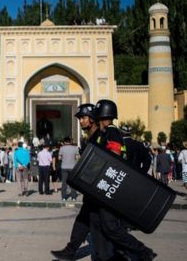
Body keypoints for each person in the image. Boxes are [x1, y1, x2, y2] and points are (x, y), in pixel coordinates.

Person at [92, 99, 156, 261]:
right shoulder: (106, 133)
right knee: (104, 224)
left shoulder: (112, 132)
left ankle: (142, 251)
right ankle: (112, 254)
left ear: (101, 117)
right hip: (107, 185)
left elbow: (114, 155)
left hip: (111, 185)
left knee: (111, 227)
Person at [52, 103, 112, 261]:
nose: (81, 121)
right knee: (85, 219)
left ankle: (108, 255)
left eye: (83, 118)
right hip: (91, 187)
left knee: (98, 223)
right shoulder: (89, 139)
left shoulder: (102, 135)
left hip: (100, 187)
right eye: (80, 118)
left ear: (92, 119)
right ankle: (71, 250)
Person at [59, 137, 79, 201]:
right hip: (72, 167)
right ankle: (73, 197)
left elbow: (59, 158)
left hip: (64, 167)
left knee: (64, 182)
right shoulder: (75, 148)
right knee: (72, 182)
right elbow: (77, 157)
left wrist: (64, 159)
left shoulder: (62, 148)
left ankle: (64, 197)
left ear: (64, 142)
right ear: (70, 141)